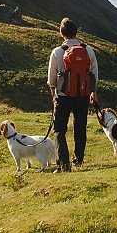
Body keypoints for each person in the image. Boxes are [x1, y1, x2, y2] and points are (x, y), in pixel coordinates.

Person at [47, 17, 98, 172]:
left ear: (62, 33)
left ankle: (63, 164)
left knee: (59, 130)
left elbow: (52, 79)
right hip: (82, 95)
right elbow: (94, 73)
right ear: (76, 32)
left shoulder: (57, 52)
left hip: (63, 96)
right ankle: (79, 160)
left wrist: (54, 94)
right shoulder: (88, 50)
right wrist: (93, 92)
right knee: (80, 128)